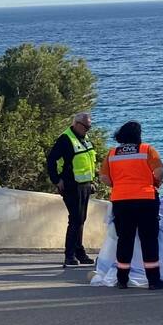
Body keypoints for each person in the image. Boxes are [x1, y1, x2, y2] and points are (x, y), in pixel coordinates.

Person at [99, 120, 163, 289]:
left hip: (121, 200)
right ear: (138, 135)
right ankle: (153, 281)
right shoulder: (147, 150)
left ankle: (122, 279)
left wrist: (119, 185)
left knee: (125, 239)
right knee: (148, 240)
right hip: (146, 199)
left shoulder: (112, 153)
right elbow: (159, 172)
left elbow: (104, 178)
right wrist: (155, 182)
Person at [47, 111, 97, 267]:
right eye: (86, 127)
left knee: (81, 219)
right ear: (76, 124)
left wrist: (92, 181)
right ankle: (69, 256)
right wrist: (57, 180)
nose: (88, 130)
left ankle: (79, 252)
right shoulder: (65, 139)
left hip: (85, 185)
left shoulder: (84, 138)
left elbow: (89, 162)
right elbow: (51, 160)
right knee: (75, 220)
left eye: (89, 127)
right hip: (71, 185)